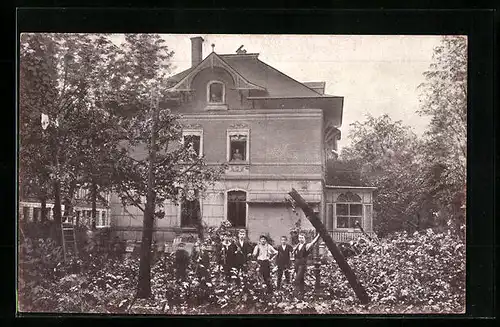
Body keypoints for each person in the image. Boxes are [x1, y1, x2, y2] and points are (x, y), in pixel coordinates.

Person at [293, 232, 321, 297]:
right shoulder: (297, 245)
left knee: (297, 279)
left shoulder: (306, 245)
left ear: (304, 238)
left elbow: (313, 242)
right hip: (296, 264)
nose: (300, 239)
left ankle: (295, 295)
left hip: (302, 264)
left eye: (302, 238)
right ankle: (302, 294)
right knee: (301, 279)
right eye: (299, 238)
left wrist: (318, 235)